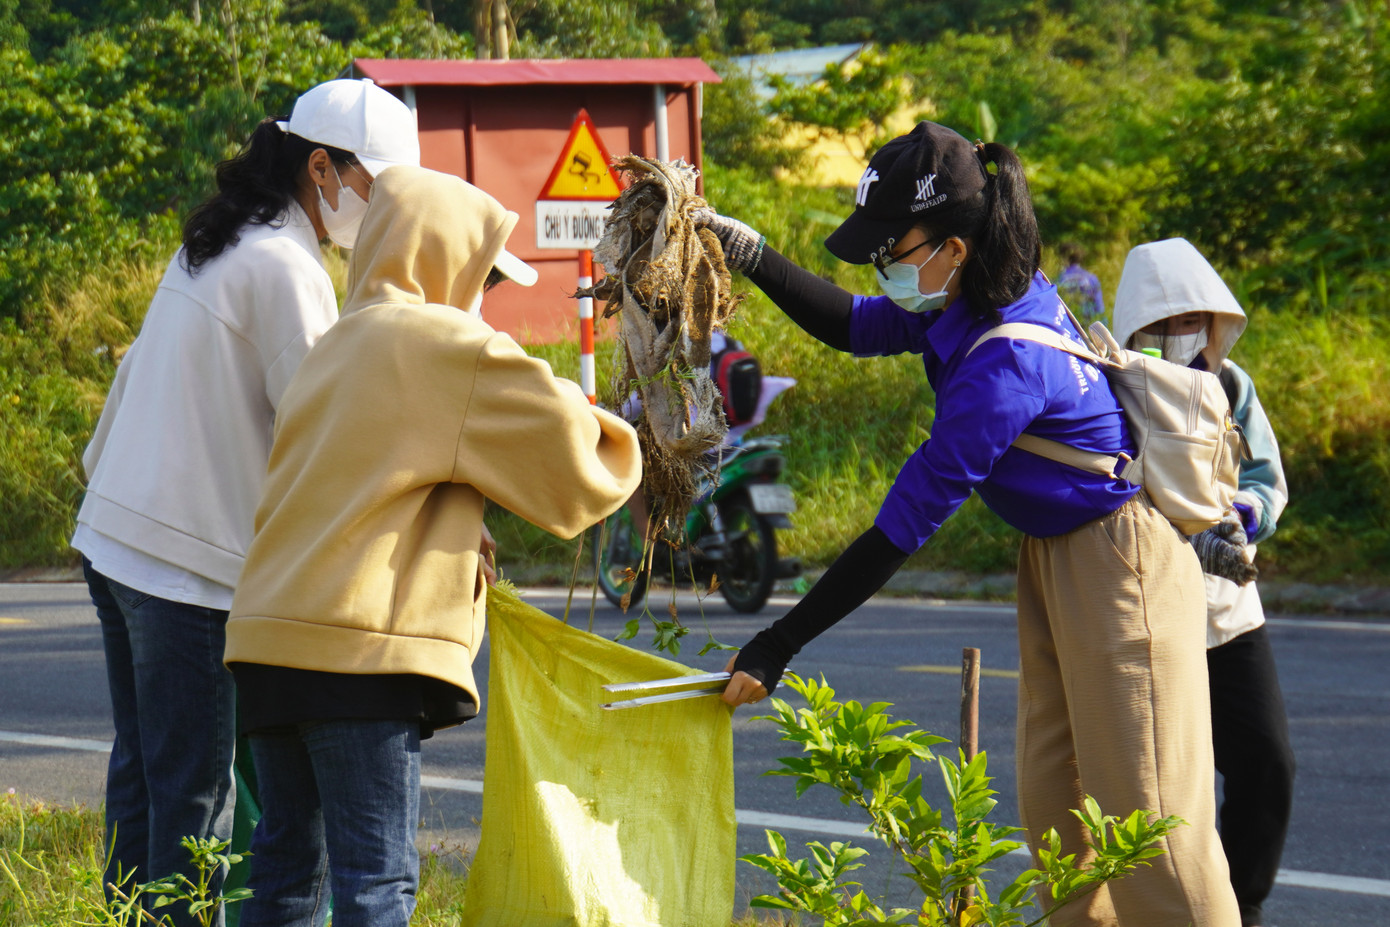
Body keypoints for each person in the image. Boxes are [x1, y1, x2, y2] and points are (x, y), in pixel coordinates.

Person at [701, 121, 1241, 927]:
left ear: (952, 244)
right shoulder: (962, 297)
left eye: (894, 247)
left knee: (1153, 831)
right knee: (1061, 828)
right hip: (1053, 560)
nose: (884, 265)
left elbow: (899, 528)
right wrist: (748, 252)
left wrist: (778, 643)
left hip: (1118, 566)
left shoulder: (1005, 360)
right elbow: (851, 324)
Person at [222, 165, 642, 927]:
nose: (485, 299)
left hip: (267, 641)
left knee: (284, 871)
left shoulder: (336, 342)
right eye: (484, 276)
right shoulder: (444, 341)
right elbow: (580, 466)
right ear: (448, 259)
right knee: (375, 881)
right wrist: (632, 436)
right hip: (356, 651)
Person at [72, 78, 419, 924]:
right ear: (322, 169)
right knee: (196, 799)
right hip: (185, 566)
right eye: (373, 185)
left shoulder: (225, 238)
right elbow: (324, 438)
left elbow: (135, 383)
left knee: (147, 778)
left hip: (117, 537)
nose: (377, 208)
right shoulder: (288, 270)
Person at [1111, 238, 1294, 927]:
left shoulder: (1232, 385)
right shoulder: (1111, 387)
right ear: (1136, 326)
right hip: (1151, 613)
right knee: (1163, 784)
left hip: (1230, 612)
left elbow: (1263, 478)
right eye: (1164, 321)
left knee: (1268, 763)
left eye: (1194, 319)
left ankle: (1239, 906)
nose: (1181, 333)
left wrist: (1248, 512)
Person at [1055, 241, 1105, 328]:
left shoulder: (1058, 280)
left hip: (1064, 326)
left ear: (1064, 257)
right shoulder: (1092, 278)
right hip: (1087, 326)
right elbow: (1099, 309)